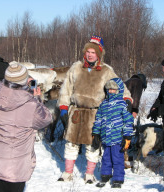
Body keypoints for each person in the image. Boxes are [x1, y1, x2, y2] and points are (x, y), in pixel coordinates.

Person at [57, 35, 133, 183]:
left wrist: (126, 99)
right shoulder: (76, 68)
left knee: (93, 144)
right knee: (71, 143)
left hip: (95, 114)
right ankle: (67, 173)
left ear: (99, 54)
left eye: (93, 52)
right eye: (88, 52)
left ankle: (89, 174)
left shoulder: (106, 71)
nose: (90, 55)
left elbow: (119, 87)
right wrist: (63, 107)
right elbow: (66, 88)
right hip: (76, 112)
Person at [0, 63, 53, 192]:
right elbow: (45, 119)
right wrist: (37, 98)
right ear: (25, 82)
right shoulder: (30, 105)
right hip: (13, 164)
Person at [92, 78, 134, 188]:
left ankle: (118, 179)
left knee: (117, 158)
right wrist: (96, 133)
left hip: (117, 138)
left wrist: (127, 136)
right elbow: (98, 120)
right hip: (106, 137)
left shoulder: (122, 104)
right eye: (109, 89)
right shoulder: (103, 104)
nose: (111, 91)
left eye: (113, 89)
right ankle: (105, 175)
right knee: (105, 157)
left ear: (118, 90)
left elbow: (128, 121)